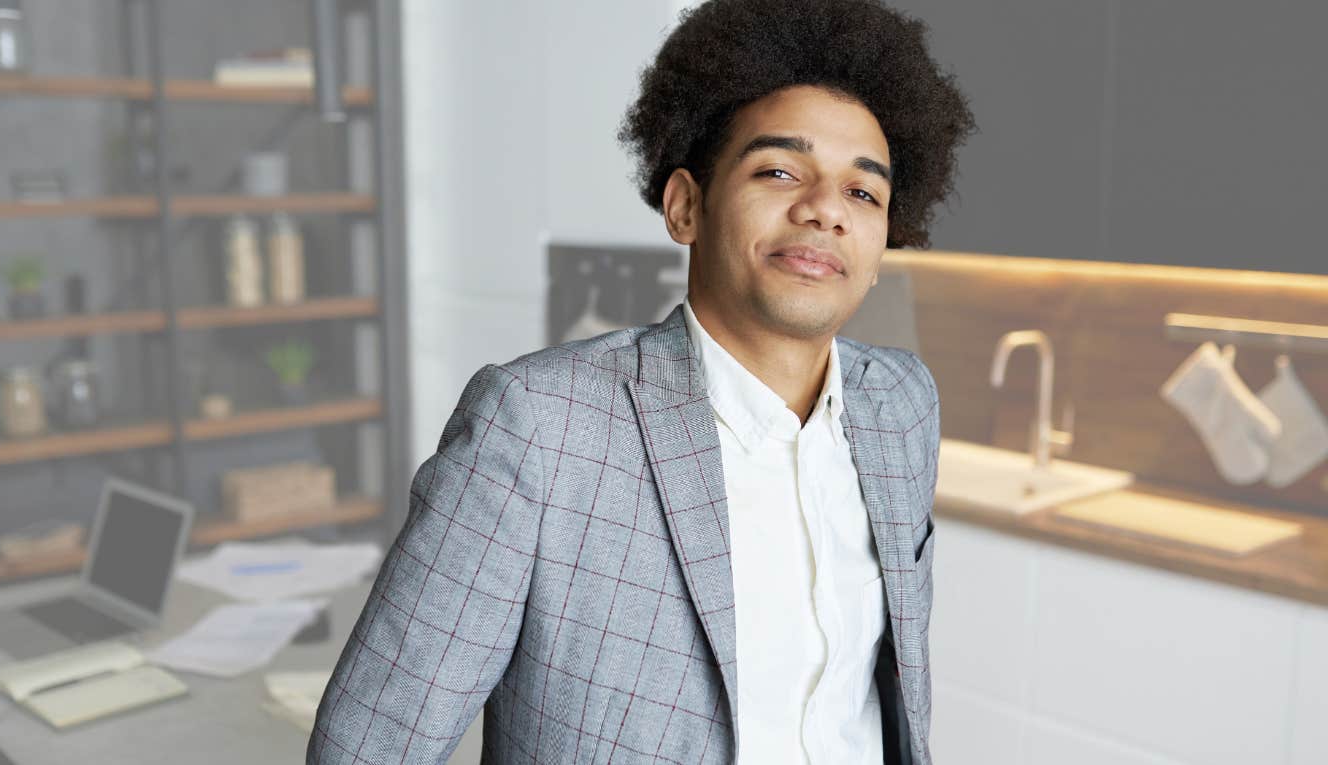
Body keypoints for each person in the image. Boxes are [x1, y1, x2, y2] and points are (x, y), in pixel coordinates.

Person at [309, 0, 974, 762]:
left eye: (863, 191)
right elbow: (367, 746)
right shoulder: (537, 425)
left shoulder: (902, 403)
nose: (826, 208)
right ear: (685, 205)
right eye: (780, 170)